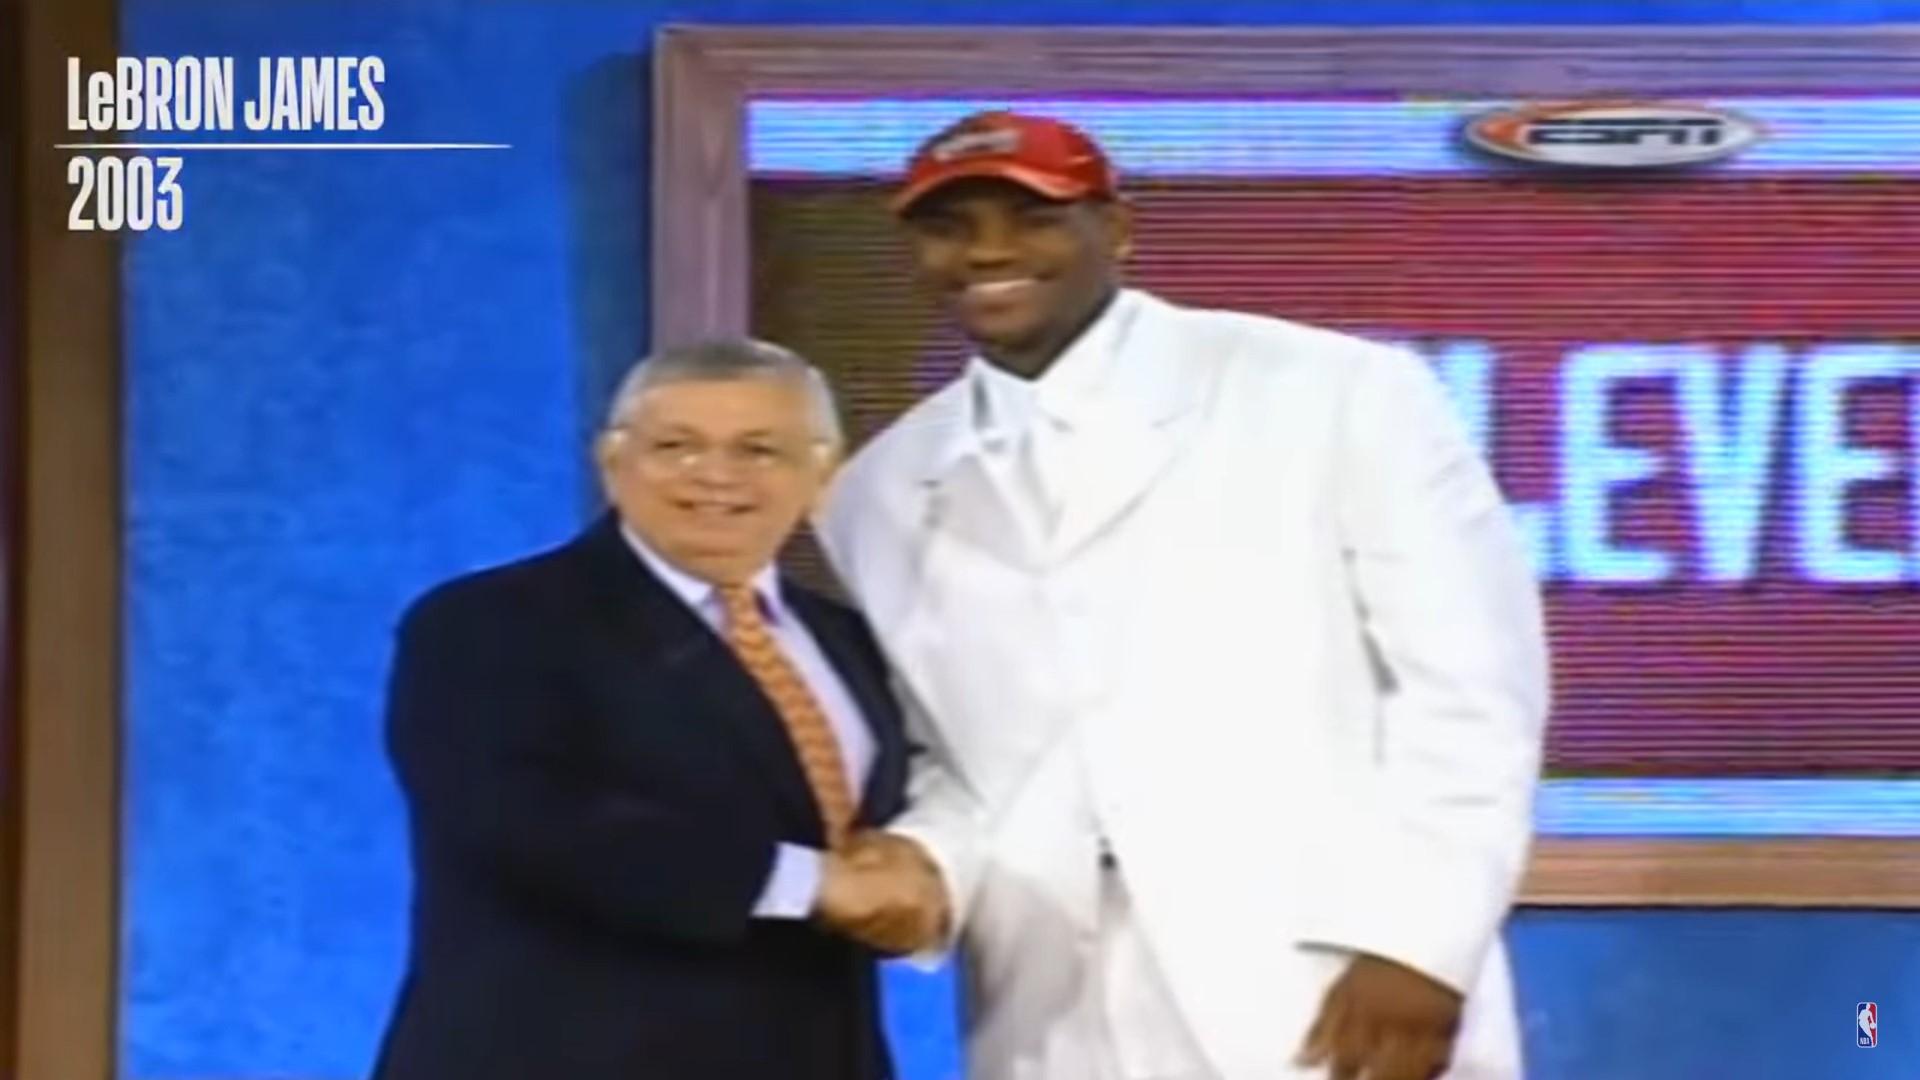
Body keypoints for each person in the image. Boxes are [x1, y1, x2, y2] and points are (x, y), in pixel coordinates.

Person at [818, 111, 1551, 1080]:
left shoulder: (1332, 390)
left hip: (1325, 978)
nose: (988, 252)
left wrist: (1421, 942)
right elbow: (954, 760)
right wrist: (927, 864)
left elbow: (1472, 689)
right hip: (1052, 1008)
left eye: (1033, 217)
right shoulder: (878, 489)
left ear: (1115, 227)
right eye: (948, 227)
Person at [373, 340, 941, 1080]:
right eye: (675, 446)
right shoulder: (489, 623)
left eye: (759, 449)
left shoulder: (853, 639)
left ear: (822, 471)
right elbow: (525, 819)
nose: (716, 475)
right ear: (613, 462)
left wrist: (918, 865)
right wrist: (812, 883)